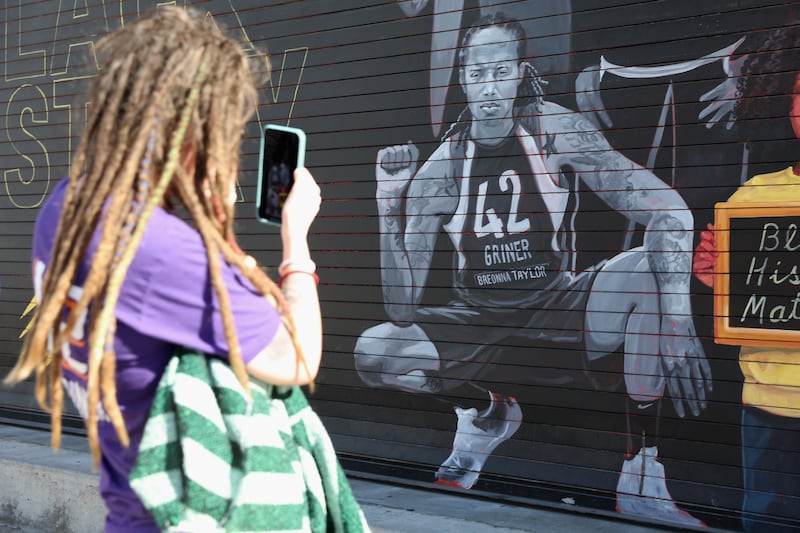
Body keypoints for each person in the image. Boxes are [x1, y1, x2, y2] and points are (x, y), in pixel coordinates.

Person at [354, 12, 712, 526]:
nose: (489, 87)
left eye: (499, 71)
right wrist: (390, 201)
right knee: (374, 351)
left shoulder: (554, 130)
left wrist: (678, 317)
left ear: (521, 71)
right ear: (463, 79)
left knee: (648, 270)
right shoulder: (441, 168)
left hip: (559, 305)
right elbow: (401, 306)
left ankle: (640, 474)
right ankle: (489, 416)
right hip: (481, 319)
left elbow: (668, 210)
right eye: (477, 75)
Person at [4, 8, 323, 532]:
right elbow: (297, 358)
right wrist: (296, 243)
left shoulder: (64, 209)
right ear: (198, 132)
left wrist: (198, 211)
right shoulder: (160, 251)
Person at [693, 25, 800, 532]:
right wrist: (713, 268)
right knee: (767, 517)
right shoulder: (755, 195)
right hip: (766, 401)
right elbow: (726, 284)